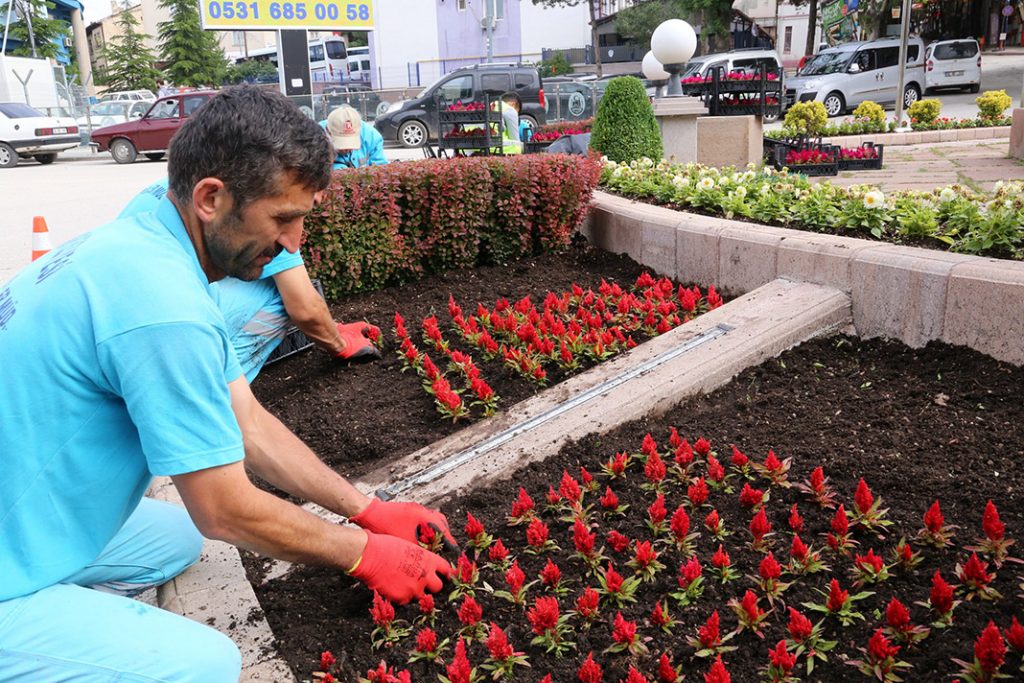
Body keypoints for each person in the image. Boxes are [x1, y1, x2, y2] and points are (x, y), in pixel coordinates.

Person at [0, 86, 454, 682]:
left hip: (17, 500)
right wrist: (364, 555)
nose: (293, 244)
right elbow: (224, 509)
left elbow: (248, 422)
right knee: (207, 665)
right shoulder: (162, 307)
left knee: (177, 541)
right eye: (283, 219)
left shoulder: (150, 232)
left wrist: (368, 511)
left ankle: (51, 589)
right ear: (211, 197)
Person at [119, 179, 381, 381]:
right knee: (280, 294)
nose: (292, 241)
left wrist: (331, 325)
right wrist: (340, 343)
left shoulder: (180, 183)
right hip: (157, 347)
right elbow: (303, 307)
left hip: (128, 321)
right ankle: (222, 383)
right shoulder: (258, 211)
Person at [319, 104, 387, 169]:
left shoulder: (372, 137)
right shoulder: (315, 139)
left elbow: (380, 166)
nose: (347, 148)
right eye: (342, 143)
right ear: (328, 132)